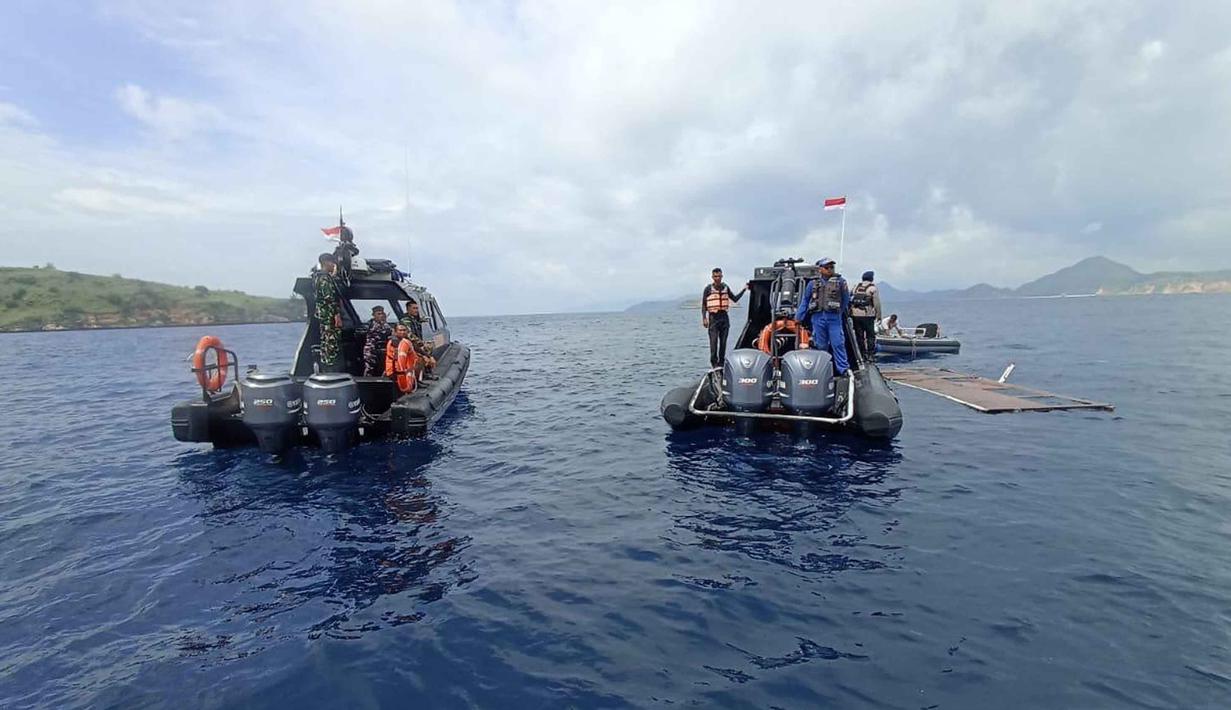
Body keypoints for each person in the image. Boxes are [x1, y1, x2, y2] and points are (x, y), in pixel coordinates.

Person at [795, 257, 850, 375]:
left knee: (838, 343)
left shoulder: (840, 282)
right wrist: (799, 317)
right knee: (820, 344)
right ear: (820, 269)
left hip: (834, 317)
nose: (830, 269)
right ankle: (822, 369)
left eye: (831, 267)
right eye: (827, 267)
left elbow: (845, 299)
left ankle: (843, 369)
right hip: (818, 317)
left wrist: (839, 312)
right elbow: (805, 301)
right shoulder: (813, 284)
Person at [701, 267, 750, 368]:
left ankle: (721, 363)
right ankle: (714, 363)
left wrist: (744, 289)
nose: (717, 278)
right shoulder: (708, 289)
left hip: (724, 318)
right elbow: (704, 304)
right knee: (713, 343)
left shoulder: (725, 287)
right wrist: (704, 318)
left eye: (719, 276)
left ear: (722, 276)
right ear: (712, 277)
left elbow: (735, 299)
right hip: (713, 318)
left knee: (723, 343)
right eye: (715, 276)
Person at [313, 252, 344, 372]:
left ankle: (326, 368)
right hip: (329, 316)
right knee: (330, 343)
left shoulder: (318, 277)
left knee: (326, 342)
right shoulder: (324, 279)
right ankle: (330, 370)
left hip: (324, 315)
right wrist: (337, 315)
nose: (334, 265)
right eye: (332, 263)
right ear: (326, 263)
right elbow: (329, 298)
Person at [849, 270, 882, 359]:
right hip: (868, 315)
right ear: (871, 278)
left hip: (855, 315)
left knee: (859, 335)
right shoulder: (873, 288)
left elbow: (850, 298)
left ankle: (862, 354)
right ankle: (870, 355)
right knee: (870, 336)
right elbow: (877, 304)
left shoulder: (856, 287)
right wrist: (879, 315)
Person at [400, 301, 437, 374]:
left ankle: (426, 369)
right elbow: (410, 335)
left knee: (430, 345)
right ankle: (425, 371)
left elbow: (419, 322)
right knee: (426, 350)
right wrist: (422, 344)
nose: (416, 310)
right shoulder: (405, 320)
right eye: (414, 308)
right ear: (408, 309)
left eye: (417, 308)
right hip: (409, 344)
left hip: (415, 343)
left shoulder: (414, 319)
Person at [385, 323, 418, 393]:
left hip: (404, 368)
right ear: (395, 331)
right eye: (400, 330)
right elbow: (400, 361)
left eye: (404, 330)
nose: (402, 332)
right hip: (395, 371)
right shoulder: (395, 342)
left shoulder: (405, 341)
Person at [361, 304, 392, 376]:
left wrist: (384, 322)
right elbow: (369, 332)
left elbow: (389, 332)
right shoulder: (370, 324)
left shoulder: (385, 324)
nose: (381, 315)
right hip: (371, 349)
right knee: (369, 368)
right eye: (378, 314)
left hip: (382, 349)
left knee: (383, 367)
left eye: (382, 313)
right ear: (373, 315)